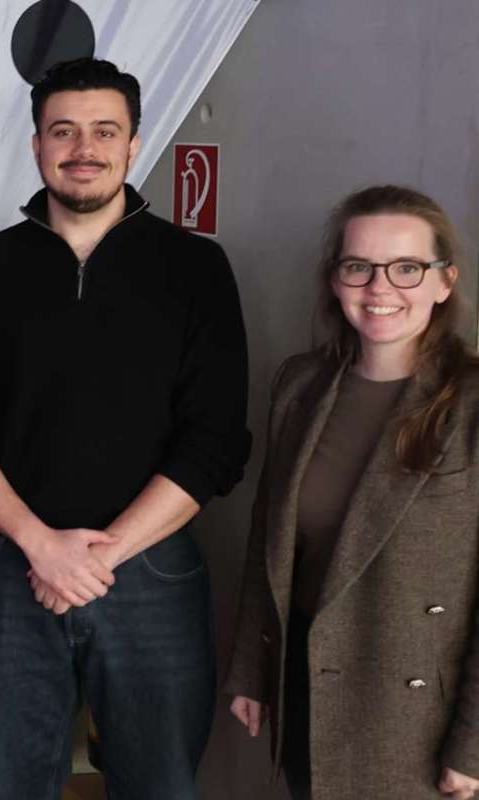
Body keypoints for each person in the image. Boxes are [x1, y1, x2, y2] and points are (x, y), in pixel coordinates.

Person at [0, 58, 251, 799]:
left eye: (105, 131)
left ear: (134, 145)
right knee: (10, 784)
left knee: (159, 784)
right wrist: (40, 547)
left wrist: (99, 559)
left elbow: (216, 440)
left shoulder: (195, 267)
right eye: (63, 131)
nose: (83, 148)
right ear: (36, 144)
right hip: (11, 568)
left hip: (153, 571)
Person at [225, 185, 479, 800]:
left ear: (444, 281)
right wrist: (254, 668)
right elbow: (270, 539)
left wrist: (474, 744)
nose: (380, 287)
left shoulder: (472, 403)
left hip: (421, 713)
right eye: (358, 266)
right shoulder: (300, 384)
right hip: (311, 682)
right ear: (336, 280)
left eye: (407, 268)